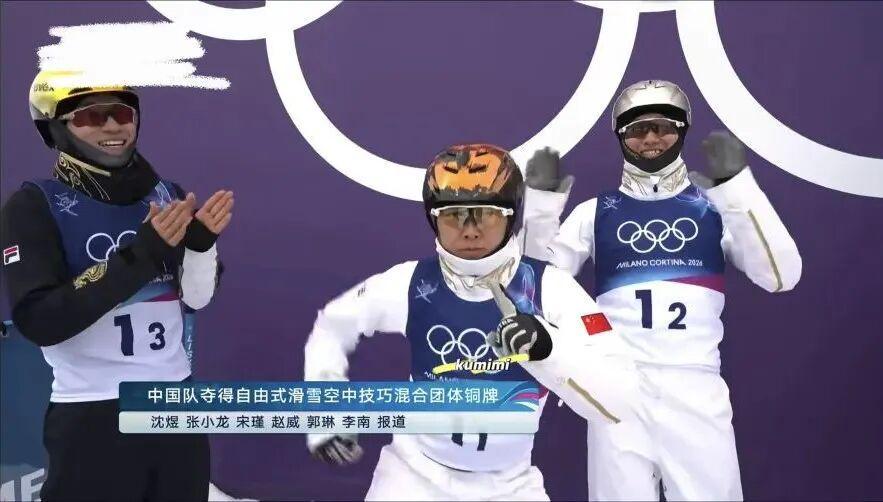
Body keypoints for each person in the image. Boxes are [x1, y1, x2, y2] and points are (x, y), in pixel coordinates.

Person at [303, 143, 640, 501]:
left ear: (511, 215)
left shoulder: (550, 287)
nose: (470, 231)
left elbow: (621, 401)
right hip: (410, 478)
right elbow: (332, 326)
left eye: (486, 214)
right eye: (453, 215)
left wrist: (550, 349)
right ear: (432, 218)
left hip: (511, 486)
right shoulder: (411, 282)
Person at [522, 79, 803, 501]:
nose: (651, 138)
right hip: (616, 390)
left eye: (663, 127)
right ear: (621, 136)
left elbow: (781, 276)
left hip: (695, 389)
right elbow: (533, 290)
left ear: (682, 130)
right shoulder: (594, 212)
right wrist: (540, 206)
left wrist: (737, 188)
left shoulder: (714, 207)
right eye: (637, 129)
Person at [0, 70, 234, 501]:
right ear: (55, 127)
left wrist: (201, 248)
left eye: (122, 113)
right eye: (92, 116)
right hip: (93, 413)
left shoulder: (166, 196)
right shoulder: (34, 205)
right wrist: (140, 256)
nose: (112, 126)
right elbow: (39, 320)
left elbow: (197, 301)